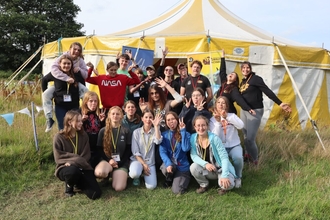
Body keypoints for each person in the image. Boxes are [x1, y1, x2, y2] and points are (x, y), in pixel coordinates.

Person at [239, 61, 292, 164]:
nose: (245, 70)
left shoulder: (256, 79)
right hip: (244, 110)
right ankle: (247, 155)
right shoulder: (243, 82)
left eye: (247, 67)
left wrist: (280, 103)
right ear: (241, 70)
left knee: (250, 138)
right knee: (245, 135)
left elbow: (267, 91)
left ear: (251, 68)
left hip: (255, 110)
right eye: (243, 68)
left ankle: (255, 161)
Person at [53, 110, 102, 199]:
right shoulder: (59, 137)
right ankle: (69, 187)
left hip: (83, 166)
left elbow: (86, 155)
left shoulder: (84, 135)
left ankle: (78, 183)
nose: (81, 123)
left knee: (95, 194)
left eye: (81, 121)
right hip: (65, 166)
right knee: (72, 171)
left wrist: (73, 162)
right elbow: (58, 157)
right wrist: (74, 162)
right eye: (78, 121)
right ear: (69, 122)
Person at [42, 42, 88, 132]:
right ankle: (49, 118)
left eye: (78, 50)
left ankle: (87, 114)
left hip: (73, 104)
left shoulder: (78, 66)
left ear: (72, 65)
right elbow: (44, 79)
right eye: (74, 49)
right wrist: (50, 95)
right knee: (45, 95)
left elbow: (84, 79)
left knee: (88, 94)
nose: (76, 51)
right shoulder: (56, 70)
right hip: (60, 103)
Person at [190, 115, 236, 195]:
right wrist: (206, 164)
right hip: (207, 169)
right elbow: (193, 155)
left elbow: (224, 158)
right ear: (194, 127)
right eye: (198, 125)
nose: (201, 128)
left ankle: (225, 183)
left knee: (227, 185)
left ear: (207, 126)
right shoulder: (193, 138)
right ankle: (204, 185)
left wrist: (224, 175)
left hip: (220, 169)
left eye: (203, 125)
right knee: (193, 167)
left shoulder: (215, 139)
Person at [94, 106, 132, 191]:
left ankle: (114, 174)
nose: (115, 116)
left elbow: (128, 149)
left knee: (119, 188)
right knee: (100, 172)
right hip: (107, 161)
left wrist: (121, 162)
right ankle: (107, 175)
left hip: (121, 162)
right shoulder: (103, 131)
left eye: (118, 114)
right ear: (109, 115)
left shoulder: (126, 131)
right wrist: (109, 160)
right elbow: (99, 149)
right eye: (113, 114)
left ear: (121, 116)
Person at [209, 96, 244, 188]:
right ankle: (226, 177)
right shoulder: (212, 120)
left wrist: (227, 117)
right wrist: (218, 122)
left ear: (227, 106)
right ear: (215, 106)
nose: (221, 104)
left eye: (223, 102)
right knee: (224, 163)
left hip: (234, 145)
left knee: (238, 158)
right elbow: (214, 137)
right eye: (218, 102)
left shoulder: (232, 116)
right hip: (221, 147)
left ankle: (238, 177)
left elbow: (241, 126)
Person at [42, 55, 80, 130]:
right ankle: (62, 141)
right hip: (60, 105)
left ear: (71, 64)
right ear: (60, 64)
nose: (66, 65)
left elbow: (82, 84)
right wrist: (47, 93)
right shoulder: (56, 74)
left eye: (68, 63)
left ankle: (75, 141)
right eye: (64, 63)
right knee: (62, 127)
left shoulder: (76, 74)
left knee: (75, 127)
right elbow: (44, 80)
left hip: (74, 106)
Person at [129, 110, 163, 189]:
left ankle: (143, 172)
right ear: (142, 119)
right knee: (134, 173)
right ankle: (138, 175)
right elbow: (135, 152)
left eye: (150, 117)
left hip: (150, 162)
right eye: (146, 117)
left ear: (153, 119)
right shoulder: (136, 132)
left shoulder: (155, 131)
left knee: (151, 187)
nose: (148, 119)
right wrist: (143, 164)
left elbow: (158, 141)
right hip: (137, 161)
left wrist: (156, 126)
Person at [159, 112, 191, 194]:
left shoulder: (186, 134)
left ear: (177, 120)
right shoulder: (164, 134)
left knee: (177, 191)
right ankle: (171, 178)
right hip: (172, 164)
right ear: (166, 122)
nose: (171, 121)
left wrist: (183, 131)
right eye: (168, 120)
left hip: (182, 166)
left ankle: (180, 179)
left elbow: (185, 148)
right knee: (164, 167)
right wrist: (168, 163)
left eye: (173, 119)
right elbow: (162, 152)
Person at [215, 50, 255, 115]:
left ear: (235, 80)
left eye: (233, 75)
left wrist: (248, 108)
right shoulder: (224, 83)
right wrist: (222, 57)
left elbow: (239, 100)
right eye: (231, 73)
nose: (231, 74)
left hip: (229, 113)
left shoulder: (233, 89)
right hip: (220, 112)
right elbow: (222, 71)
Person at [79, 91, 106, 168]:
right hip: (85, 146)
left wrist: (102, 122)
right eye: (91, 101)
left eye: (95, 101)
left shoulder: (100, 113)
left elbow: (103, 131)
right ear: (86, 102)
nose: (93, 103)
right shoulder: (79, 112)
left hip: (98, 144)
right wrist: (81, 121)